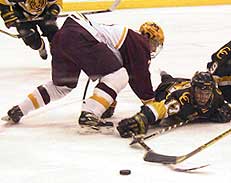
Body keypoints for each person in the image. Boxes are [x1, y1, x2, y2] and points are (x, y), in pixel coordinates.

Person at [3, 14, 164, 131]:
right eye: (155, 44)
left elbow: (106, 71)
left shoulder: (123, 40)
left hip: (64, 36)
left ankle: (20, 109)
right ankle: (90, 113)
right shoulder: (139, 43)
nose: (154, 48)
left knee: (62, 86)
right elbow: (139, 77)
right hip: (79, 35)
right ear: (148, 38)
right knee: (120, 75)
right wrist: (152, 104)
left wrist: (108, 101)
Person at [117, 71, 231, 138]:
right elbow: (162, 108)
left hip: (182, 81)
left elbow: (225, 106)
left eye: (206, 93)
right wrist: (144, 117)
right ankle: (165, 76)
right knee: (157, 119)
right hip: (167, 88)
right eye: (199, 92)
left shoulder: (217, 96)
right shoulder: (182, 99)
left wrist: (226, 110)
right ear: (193, 90)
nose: (203, 97)